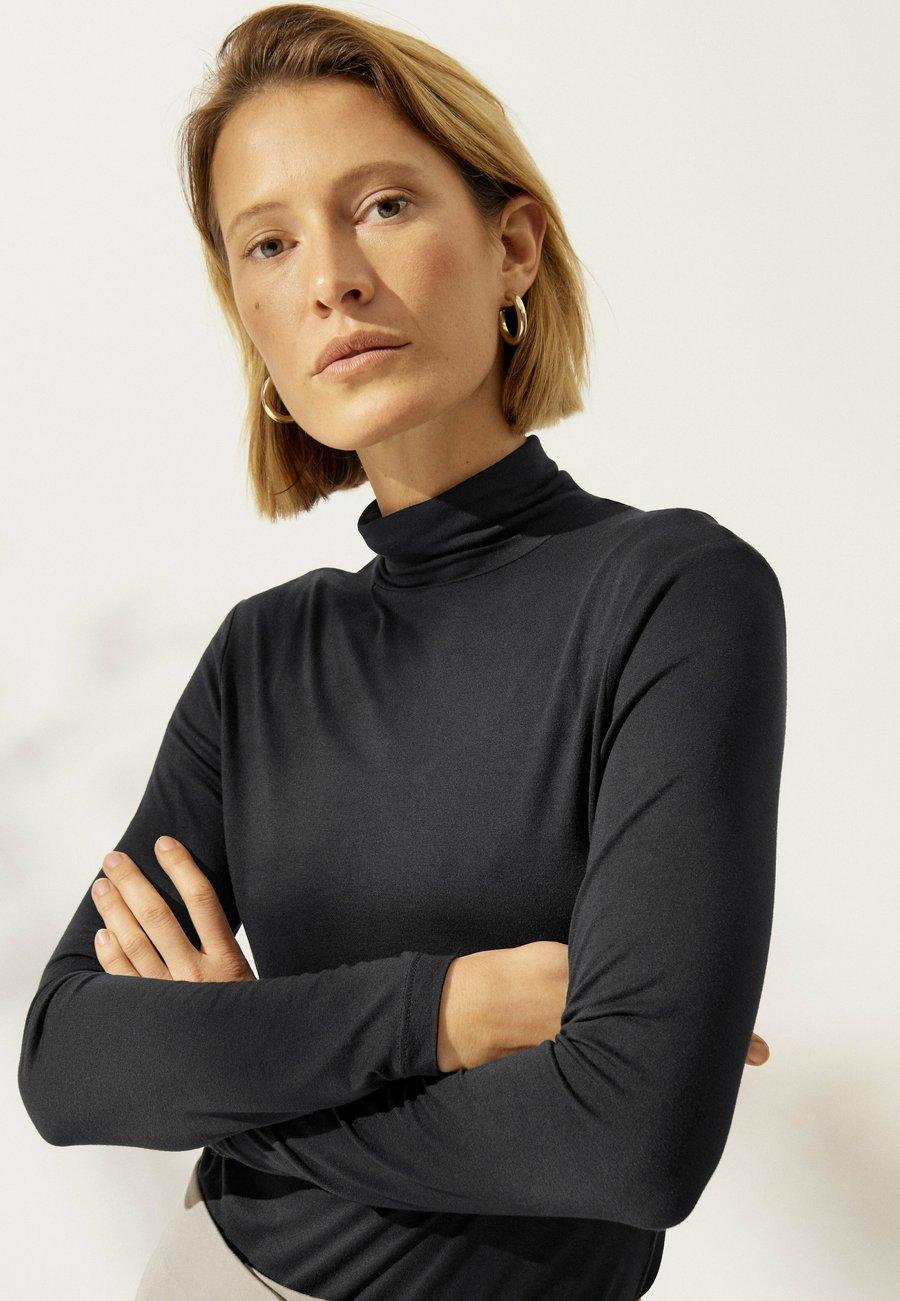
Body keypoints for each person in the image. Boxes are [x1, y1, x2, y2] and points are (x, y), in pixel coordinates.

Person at [17, 5, 785, 1299]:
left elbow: (633, 1142)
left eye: (381, 205)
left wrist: (240, 1065)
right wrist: (454, 1011)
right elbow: (68, 1060)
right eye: (269, 242)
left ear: (513, 246)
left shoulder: (674, 592)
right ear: (250, 315)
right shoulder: (264, 657)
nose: (331, 278)